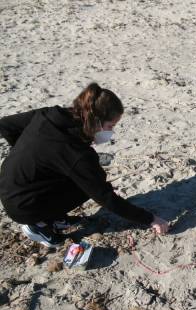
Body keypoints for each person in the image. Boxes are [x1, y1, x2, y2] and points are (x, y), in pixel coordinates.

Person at [0, 83, 169, 248]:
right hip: (22, 206)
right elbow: (106, 198)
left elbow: (6, 126)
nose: (111, 132)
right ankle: (38, 224)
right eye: (110, 126)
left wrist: (26, 157)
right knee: (88, 185)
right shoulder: (78, 154)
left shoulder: (51, 114)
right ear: (96, 121)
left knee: (80, 178)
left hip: (8, 182)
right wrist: (151, 219)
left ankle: (54, 216)